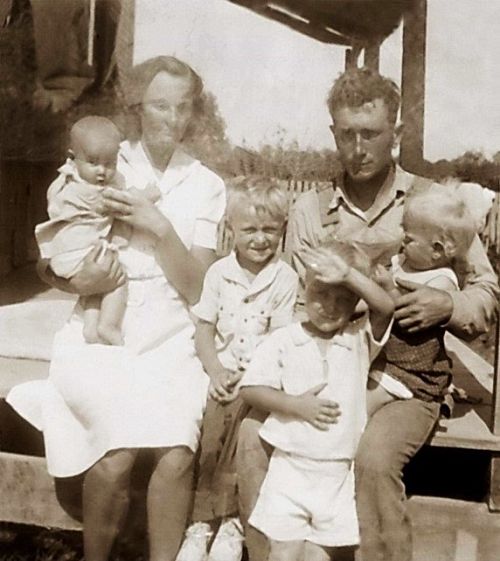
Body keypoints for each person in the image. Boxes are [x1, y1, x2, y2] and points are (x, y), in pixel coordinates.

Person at [237, 67, 498, 561]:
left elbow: (485, 291)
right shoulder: (311, 210)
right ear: (333, 132)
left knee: (373, 458)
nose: (357, 148)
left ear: (395, 133)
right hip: (328, 368)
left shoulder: (430, 203)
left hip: (403, 379)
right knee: (252, 435)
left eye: (370, 134)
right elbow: (295, 304)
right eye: (346, 134)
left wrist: (448, 304)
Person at [7, 56, 226, 561]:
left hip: (173, 328)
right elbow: (53, 251)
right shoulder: (104, 157)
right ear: (137, 106)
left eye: (183, 107)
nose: (172, 118)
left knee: (176, 452)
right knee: (116, 455)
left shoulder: (206, 184)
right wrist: (70, 278)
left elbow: (199, 288)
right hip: (103, 319)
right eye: (160, 105)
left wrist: (160, 228)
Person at [239, 240, 394, 561]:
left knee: (319, 556)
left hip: (337, 475)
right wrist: (295, 405)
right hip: (289, 469)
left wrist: (347, 274)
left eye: (343, 298)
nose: (330, 306)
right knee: (282, 553)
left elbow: (386, 307)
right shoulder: (284, 340)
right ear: (304, 289)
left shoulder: (358, 339)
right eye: (321, 293)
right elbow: (251, 389)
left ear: (356, 302)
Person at [177, 179, 298, 561]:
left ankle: (232, 523)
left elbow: (280, 341)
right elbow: (204, 329)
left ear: (282, 228)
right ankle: (200, 522)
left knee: (245, 436)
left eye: (269, 229)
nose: (260, 239)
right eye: (250, 230)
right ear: (230, 229)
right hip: (220, 372)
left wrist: (249, 380)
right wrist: (215, 371)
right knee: (210, 434)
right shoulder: (218, 274)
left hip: (261, 379)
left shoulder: (285, 278)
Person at [35, 116, 151, 346]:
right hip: (79, 254)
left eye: (110, 164)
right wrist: (149, 195)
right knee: (117, 280)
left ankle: (90, 326)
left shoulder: (66, 180)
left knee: (98, 284)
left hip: (65, 255)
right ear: (73, 157)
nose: (102, 172)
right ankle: (109, 325)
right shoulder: (90, 191)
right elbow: (123, 202)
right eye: (93, 162)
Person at [367, 181, 476, 415]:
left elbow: (407, 313)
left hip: (410, 370)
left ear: (437, 250)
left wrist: (388, 287)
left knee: (361, 406)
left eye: (409, 239)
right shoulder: (404, 261)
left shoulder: (441, 281)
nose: (402, 242)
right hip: (382, 358)